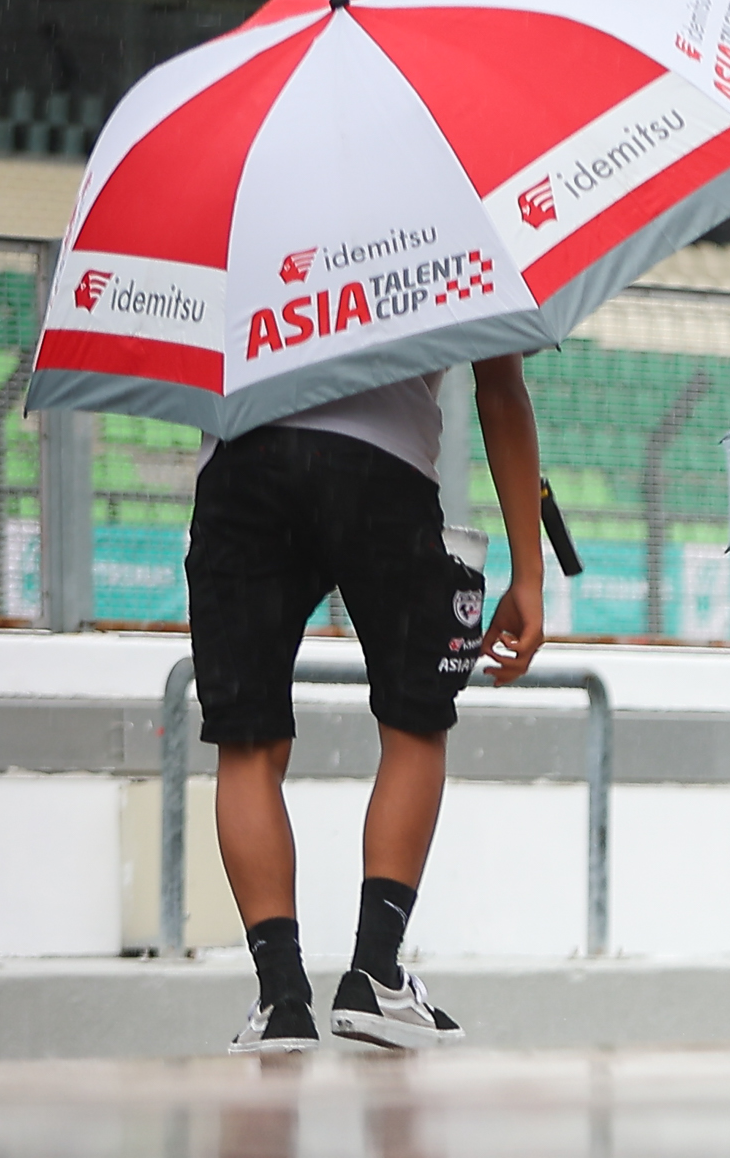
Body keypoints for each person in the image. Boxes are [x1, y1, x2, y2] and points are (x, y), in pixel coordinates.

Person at [188, 359, 547, 1051]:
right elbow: (501, 388)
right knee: (415, 723)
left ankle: (282, 998)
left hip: (241, 459)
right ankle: (375, 972)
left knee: (249, 743)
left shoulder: (234, 245)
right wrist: (528, 573)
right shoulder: (453, 244)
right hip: (384, 464)